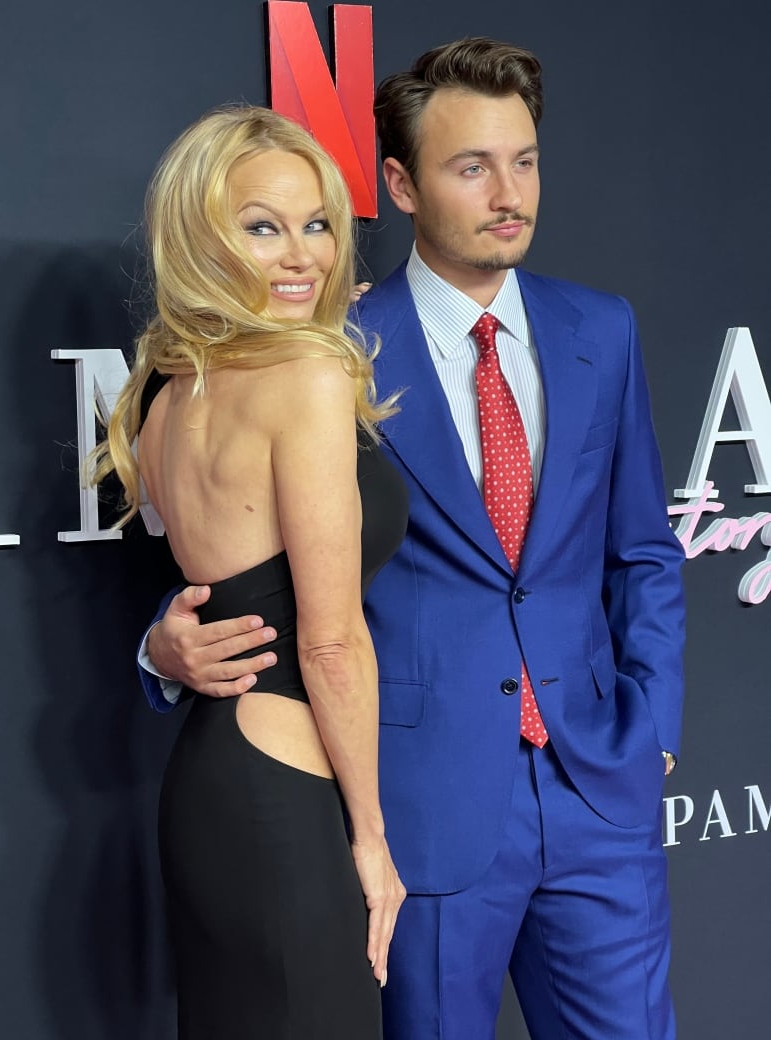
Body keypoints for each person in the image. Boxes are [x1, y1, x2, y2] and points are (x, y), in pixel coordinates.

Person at [140, 39, 686, 1040]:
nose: (507, 191)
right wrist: (162, 646)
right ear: (398, 183)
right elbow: (258, 551)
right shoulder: (328, 347)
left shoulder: (600, 328)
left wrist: (652, 725)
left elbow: (644, 547)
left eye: (523, 160)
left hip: (599, 794)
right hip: (422, 804)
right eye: (470, 165)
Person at [93, 105, 407, 1039]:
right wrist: (374, 839)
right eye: (261, 227)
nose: (303, 254)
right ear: (202, 240)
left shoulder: (164, 393)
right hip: (287, 789)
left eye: (317, 223)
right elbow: (331, 640)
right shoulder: (305, 379)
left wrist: (158, 649)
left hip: (210, 781)